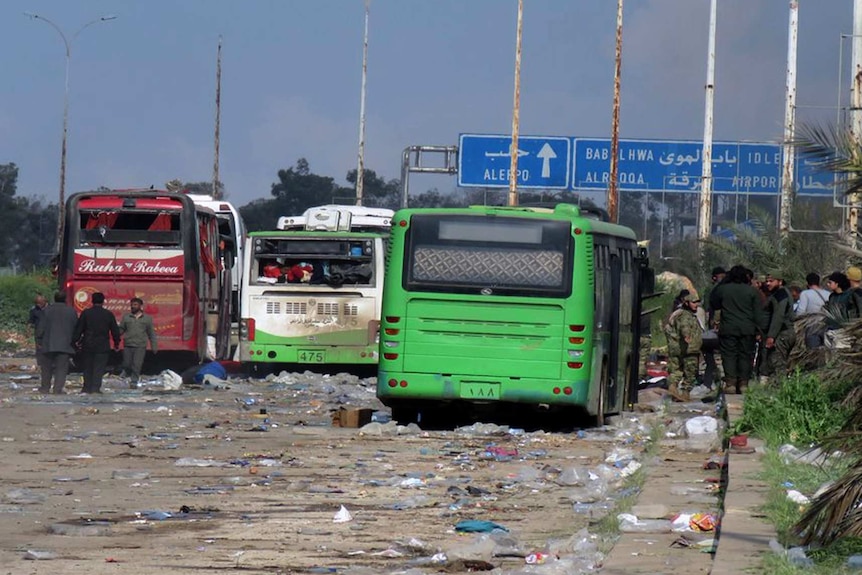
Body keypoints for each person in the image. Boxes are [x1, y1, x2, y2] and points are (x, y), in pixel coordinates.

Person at [711, 265, 764, 395]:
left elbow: (714, 302)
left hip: (728, 329)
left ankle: (730, 384)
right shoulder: (752, 291)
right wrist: (759, 331)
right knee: (745, 356)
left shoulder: (723, 290)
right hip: (747, 329)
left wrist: (723, 282)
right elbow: (758, 313)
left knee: (729, 355)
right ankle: (744, 384)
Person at [74, 292, 121, 394]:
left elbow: (79, 329)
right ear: (103, 301)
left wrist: (75, 341)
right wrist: (117, 343)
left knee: (87, 367)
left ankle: (86, 387)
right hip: (102, 345)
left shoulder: (86, 313)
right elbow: (115, 331)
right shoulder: (108, 314)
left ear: (92, 300)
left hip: (88, 344)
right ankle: (95, 388)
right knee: (99, 368)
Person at [34, 292, 78, 394]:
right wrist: (74, 341)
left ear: (54, 299)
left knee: (46, 369)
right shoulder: (71, 311)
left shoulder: (47, 311)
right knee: (61, 369)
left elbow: (40, 328)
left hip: (48, 343)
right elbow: (76, 328)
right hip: (65, 345)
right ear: (65, 299)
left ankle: (45, 388)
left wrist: (39, 341)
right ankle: (57, 389)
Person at [663, 293, 703, 402]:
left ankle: (673, 389)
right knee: (690, 372)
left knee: (676, 371)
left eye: (697, 302)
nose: (696, 305)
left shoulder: (679, 314)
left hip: (678, 348)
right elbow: (684, 326)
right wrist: (687, 336)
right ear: (686, 303)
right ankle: (684, 394)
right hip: (688, 349)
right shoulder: (685, 315)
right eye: (693, 302)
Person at [761, 271, 796, 381]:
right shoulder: (777, 294)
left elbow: (778, 316)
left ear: (780, 282)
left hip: (783, 333)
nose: (768, 283)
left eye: (771, 281)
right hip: (783, 332)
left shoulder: (781, 294)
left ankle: (780, 386)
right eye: (767, 281)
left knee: (777, 361)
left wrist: (771, 336)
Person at [119, 298, 158, 388]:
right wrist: (116, 336)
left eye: (135, 305)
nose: (133, 306)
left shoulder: (147, 319)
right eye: (132, 305)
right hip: (128, 344)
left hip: (140, 345)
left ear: (140, 306)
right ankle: (126, 375)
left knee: (137, 365)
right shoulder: (126, 317)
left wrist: (154, 346)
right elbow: (121, 329)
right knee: (126, 364)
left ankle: (134, 382)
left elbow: (151, 333)